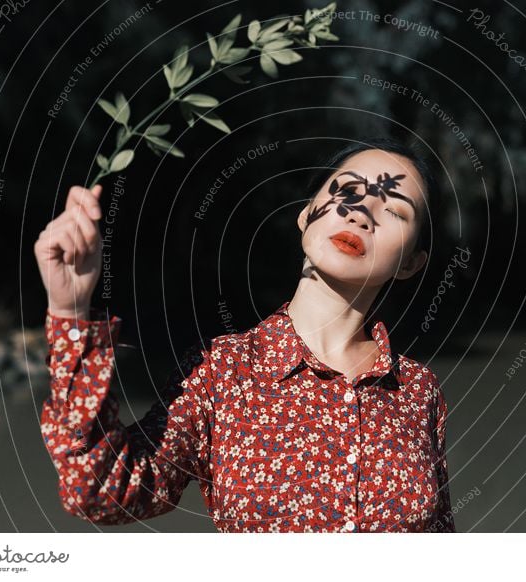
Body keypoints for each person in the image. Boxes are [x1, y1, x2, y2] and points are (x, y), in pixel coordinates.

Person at [34, 136, 455, 533]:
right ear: (307, 213)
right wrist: (69, 309)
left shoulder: (417, 392)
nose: (359, 212)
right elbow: (103, 490)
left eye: (395, 211)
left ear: (411, 263)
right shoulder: (222, 372)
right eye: (345, 190)